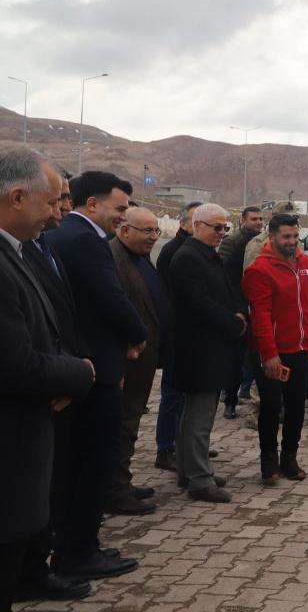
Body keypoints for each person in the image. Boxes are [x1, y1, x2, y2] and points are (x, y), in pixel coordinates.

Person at [0, 145, 95, 608]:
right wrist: (76, 373)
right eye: (51, 201)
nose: (56, 214)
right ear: (18, 197)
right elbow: (15, 365)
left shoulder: (16, 252)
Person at [44, 170, 147, 579]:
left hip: (78, 364)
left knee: (73, 463)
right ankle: (80, 550)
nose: (122, 218)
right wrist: (136, 335)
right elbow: (111, 297)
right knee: (93, 463)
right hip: (95, 370)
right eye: (119, 209)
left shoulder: (59, 236)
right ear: (92, 204)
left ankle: (68, 544)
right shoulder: (85, 240)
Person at [169, 204, 247, 503]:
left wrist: (238, 313)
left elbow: (226, 292)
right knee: (199, 418)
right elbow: (199, 304)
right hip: (200, 350)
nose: (222, 233)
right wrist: (233, 323)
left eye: (225, 228)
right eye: (217, 227)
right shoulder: (188, 258)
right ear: (196, 225)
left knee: (195, 416)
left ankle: (192, 470)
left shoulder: (206, 255)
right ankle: (199, 480)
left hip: (211, 348)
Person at [242, 214, 308, 485]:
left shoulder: (307, 264)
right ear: (272, 236)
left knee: (297, 405)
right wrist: (269, 354)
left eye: (295, 236)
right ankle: (269, 459)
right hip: (272, 351)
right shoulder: (259, 269)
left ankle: (290, 456)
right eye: (286, 237)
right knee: (272, 405)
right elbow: (260, 316)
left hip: (300, 348)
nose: (291, 241)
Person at [107, 207, 171, 516]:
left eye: (156, 231)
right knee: (122, 424)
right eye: (147, 231)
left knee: (131, 424)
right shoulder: (113, 258)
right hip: (128, 358)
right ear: (124, 229)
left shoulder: (139, 257)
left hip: (145, 357)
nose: (153, 237)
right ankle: (115, 491)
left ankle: (122, 481)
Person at [154, 201, 200, 472]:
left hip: (192, 335)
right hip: (175, 334)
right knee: (172, 394)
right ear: (183, 223)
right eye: (196, 221)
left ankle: (187, 445)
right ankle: (165, 448)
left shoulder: (197, 250)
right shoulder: (174, 251)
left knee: (188, 394)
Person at [217, 206, 265, 420]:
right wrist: (238, 305)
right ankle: (230, 399)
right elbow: (226, 274)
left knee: (254, 355)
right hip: (238, 304)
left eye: (261, 219)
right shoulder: (233, 241)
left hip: (255, 302)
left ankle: (247, 388)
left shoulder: (263, 241)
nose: (258, 222)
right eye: (254, 219)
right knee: (236, 356)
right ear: (243, 220)